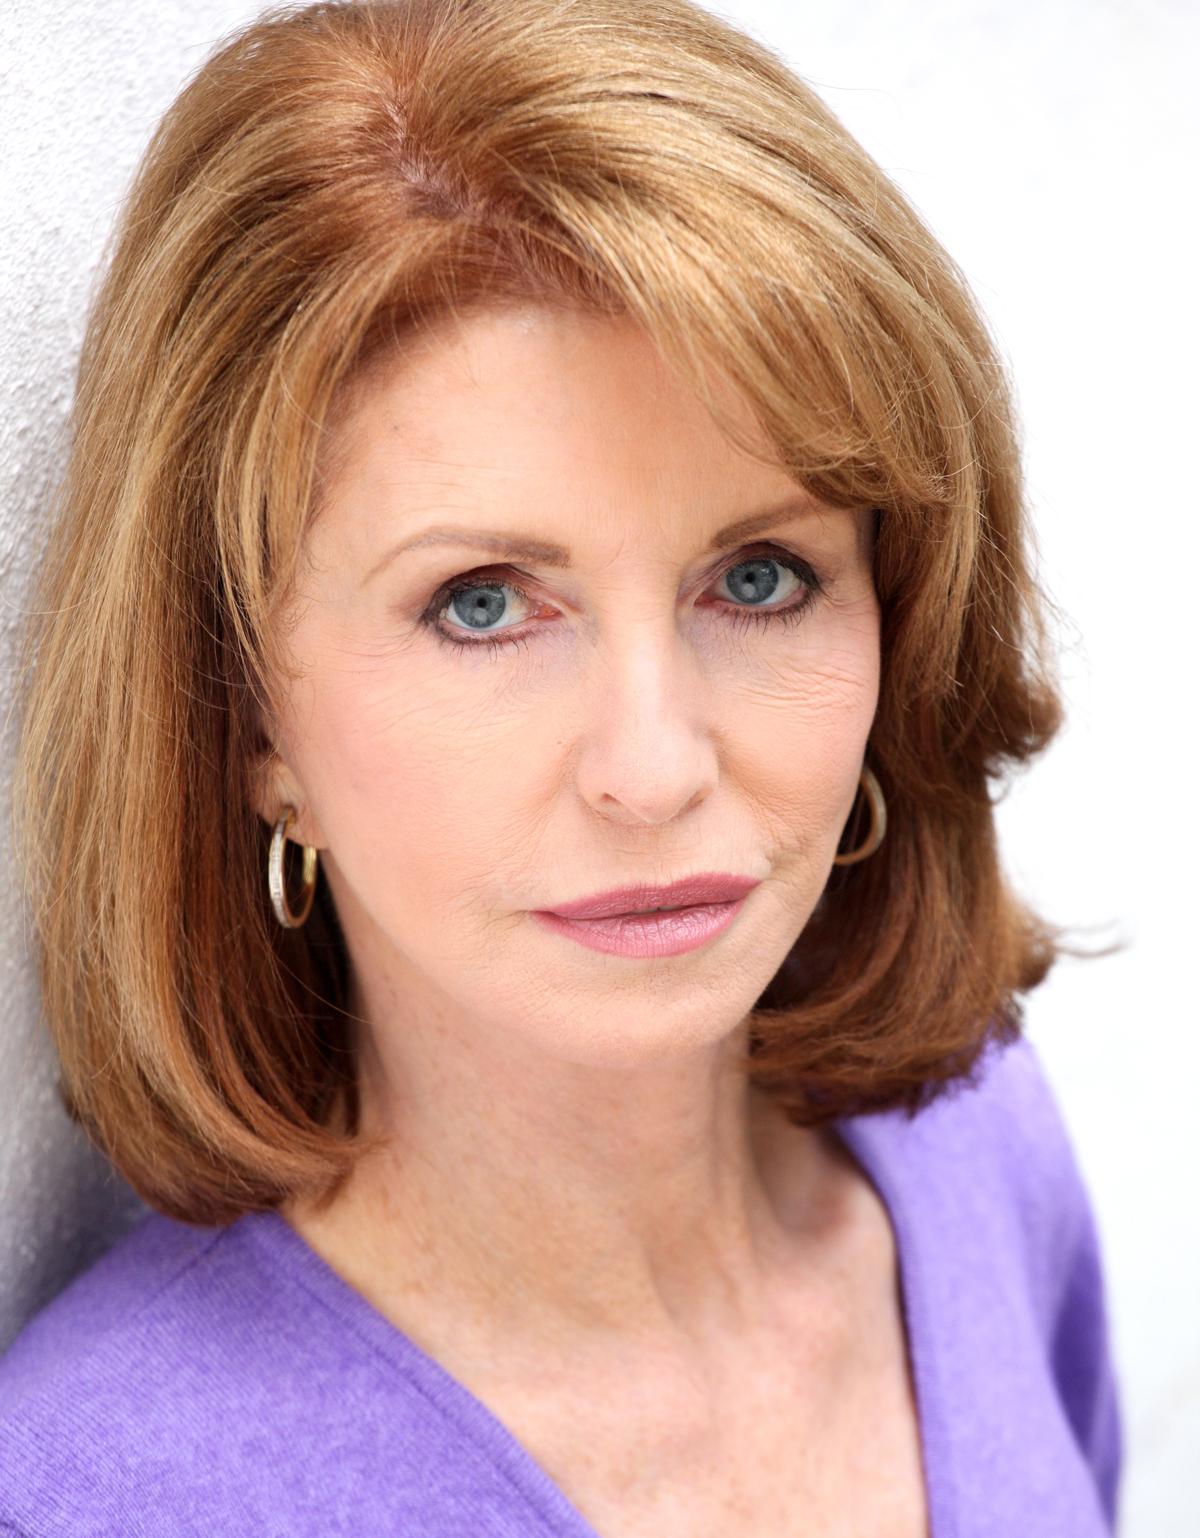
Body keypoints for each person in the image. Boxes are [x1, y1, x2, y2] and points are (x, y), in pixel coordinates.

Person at [0, 0, 1123, 1533]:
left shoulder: (975, 1152)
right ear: (251, 721)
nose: (652, 769)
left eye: (760, 579)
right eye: (482, 604)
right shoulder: (98, 1495)